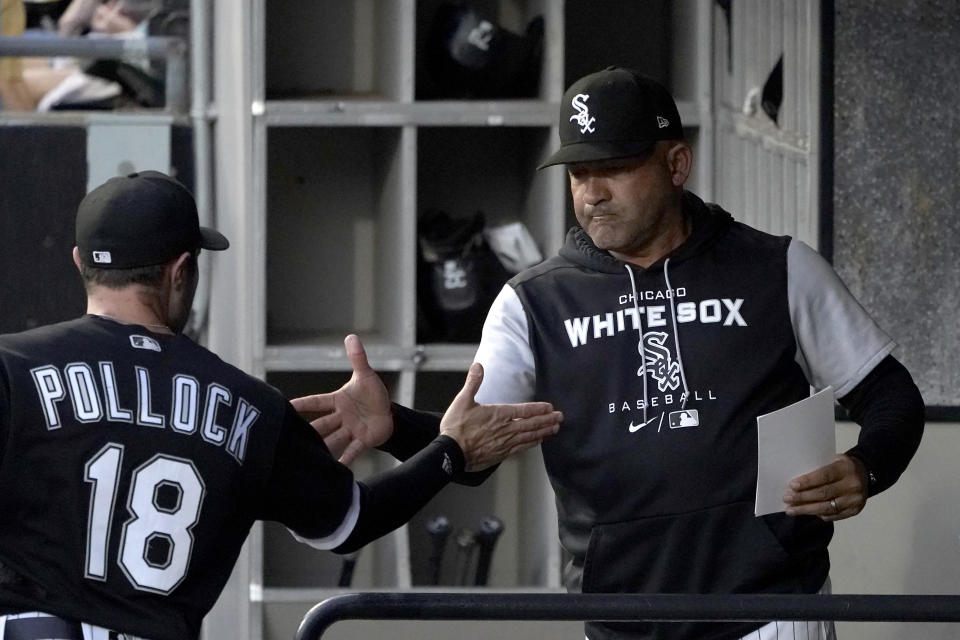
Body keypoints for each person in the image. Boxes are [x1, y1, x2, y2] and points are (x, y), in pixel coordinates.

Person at [293, 67, 925, 640]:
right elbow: (475, 450)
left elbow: (891, 395)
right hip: (622, 621)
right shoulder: (532, 302)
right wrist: (394, 426)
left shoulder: (777, 268)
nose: (591, 192)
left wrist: (870, 466)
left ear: (676, 164)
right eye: (578, 173)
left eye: (613, 168)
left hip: (774, 609)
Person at [0, 170, 563, 640]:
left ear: (79, 262)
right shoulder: (250, 408)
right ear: (182, 270)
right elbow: (353, 522)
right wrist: (449, 451)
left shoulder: (13, 369)